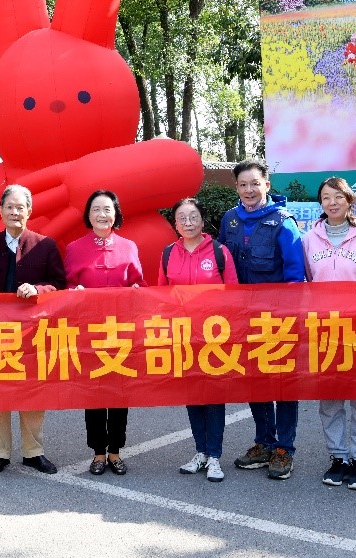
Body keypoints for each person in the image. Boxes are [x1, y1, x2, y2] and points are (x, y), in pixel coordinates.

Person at [218, 159, 304, 480]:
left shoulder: (283, 222)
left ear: (267, 185)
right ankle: (264, 442)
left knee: (283, 383)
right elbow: (222, 266)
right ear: (236, 187)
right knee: (255, 381)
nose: (249, 190)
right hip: (243, 318)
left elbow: (295, 275)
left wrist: (290, 317)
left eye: (255, 183)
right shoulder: (230, 220)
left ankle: (284, 448)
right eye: (243, 184)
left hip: (278, 319)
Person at [0, 184, 66, 476]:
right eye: (9, 207)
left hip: (33, 332)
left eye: (20, 207)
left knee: (33, 390)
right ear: (1, 210)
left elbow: (59, 285)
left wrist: (38, 289)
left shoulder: (45, 245)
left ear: (29, 211)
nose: (15, 212)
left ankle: (33, 452)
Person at [301, 177, 356, 491]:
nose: (332, 202)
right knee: (330, 398)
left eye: (338, 197)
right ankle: (338, 457)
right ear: (320, 203)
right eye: (326, 197)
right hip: (324, 329)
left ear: (349, 200)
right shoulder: (309, 239)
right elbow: (307, 282)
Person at [64, 189, 143, 476]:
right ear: (88, 215)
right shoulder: (75, 248)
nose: (102, 214)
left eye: (107, 209)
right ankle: (98, 452)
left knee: (119, 393)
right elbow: (66, 286)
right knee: (94, 393)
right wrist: (74, 292)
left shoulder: (128, 247)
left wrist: (137, 290)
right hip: (89, 332)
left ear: (115, 214)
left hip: (121, 331)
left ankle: (115, 452)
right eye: (96, 209)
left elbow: (139, 284)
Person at [159, 197, 237, 484]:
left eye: (193, 217)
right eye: (182, 218)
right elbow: (161, 296)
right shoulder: (168, 253)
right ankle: (200, 452)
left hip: (215, 337)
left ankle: (215, 455)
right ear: (175, 224)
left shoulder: (219, 252)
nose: (188, 222)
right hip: (183, 336)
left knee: (213, 396)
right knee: (193, 395)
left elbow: (234, 295)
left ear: (203, 221)